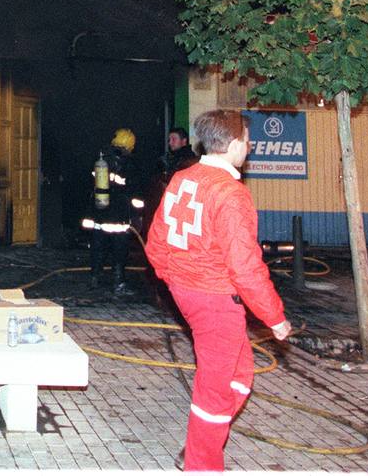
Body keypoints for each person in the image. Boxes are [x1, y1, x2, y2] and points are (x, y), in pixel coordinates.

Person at [145, 109, 291, 472]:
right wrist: (275, 318)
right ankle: (201, 464)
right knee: (215, 386)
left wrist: (175, 278)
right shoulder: (231, 193)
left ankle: (200, 440)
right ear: (236, 143)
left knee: (240, 375)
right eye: (247, 139)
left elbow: (155, 242)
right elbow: (245, 267)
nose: (250, 146)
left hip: (189, 292)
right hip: (214, 300)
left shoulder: (182, 178)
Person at [83, 128, 143, 294]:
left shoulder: (101, 159)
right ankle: (119, 283)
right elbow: (134, 191)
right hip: (119, 218)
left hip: (100, 214)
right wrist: (138, 214)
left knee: (97, 248)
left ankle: (94, 278)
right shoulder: (128, 164)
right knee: (120, 251)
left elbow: (92, 183)